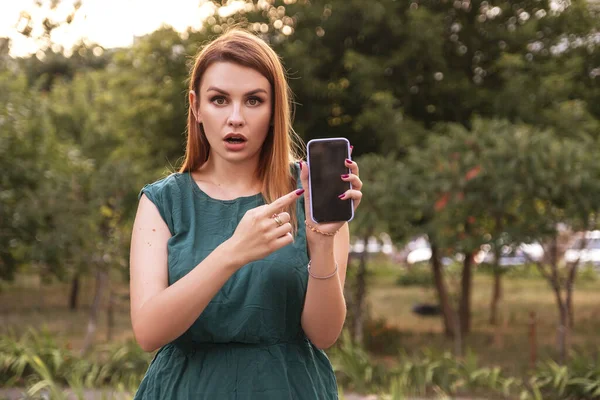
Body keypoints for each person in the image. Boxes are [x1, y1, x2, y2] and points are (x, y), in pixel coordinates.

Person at [129, 28, 363, 399]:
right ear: (196, 106)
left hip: (288, 388)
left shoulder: (310, 193)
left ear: (274, 111)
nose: (235, 118)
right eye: (219, 100)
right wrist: (233, 252)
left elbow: (324, 334)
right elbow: (148, 332)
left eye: (253, 101)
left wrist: (321, 241)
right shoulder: (162, 202)